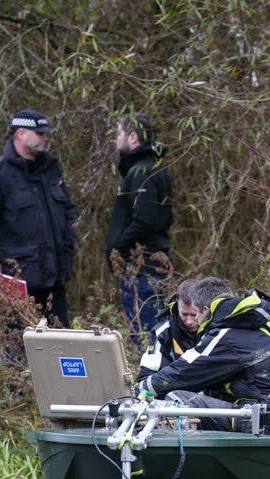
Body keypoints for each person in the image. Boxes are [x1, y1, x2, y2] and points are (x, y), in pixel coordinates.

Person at [137, 285, 270, 434]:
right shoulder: (256, 325)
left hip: (266, 419)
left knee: (178, 398)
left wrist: (142, 389)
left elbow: (184, 371)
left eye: (195, 314)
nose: (194, 322)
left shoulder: (226, 334)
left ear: (205, 310)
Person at [0, 109, 77, 327]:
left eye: (46, 133)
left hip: (55, 281)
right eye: (39, 133)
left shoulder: (51, 169)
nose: (45, 137)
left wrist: (68, 245)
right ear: (21, 134)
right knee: (20, 351)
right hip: (20, 283)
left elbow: (68, 212)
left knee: (63, 350)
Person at [105, 112, 173, 341]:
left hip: (142, 272)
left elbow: (145, 220)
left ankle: (150, 378)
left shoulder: (142, 172)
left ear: (133, 137)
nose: (115, 140)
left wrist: (118, 247)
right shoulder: (151, 167)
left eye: (119, 134)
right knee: (155, 338)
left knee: (147, 341)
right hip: (147, 270)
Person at [136, 276, 233, 383]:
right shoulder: (164, 331)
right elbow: (146, 376)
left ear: (205, 309)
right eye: (184, 314)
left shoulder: (221, 329)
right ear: (177, 305)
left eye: (194, 314)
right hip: (173, 389)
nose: (189, 321)